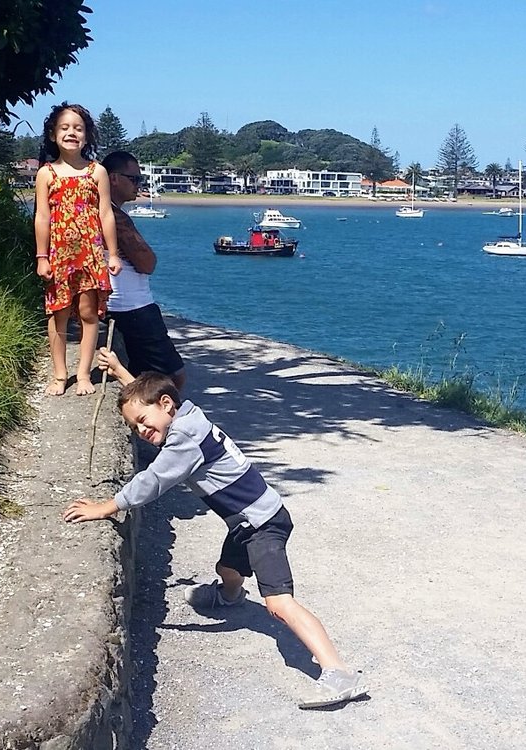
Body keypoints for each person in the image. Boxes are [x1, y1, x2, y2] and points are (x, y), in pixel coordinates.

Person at [61, 351, 368, 709]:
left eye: (143, 422)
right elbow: (150, 399)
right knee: (227, 570)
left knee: (279, 604)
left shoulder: (183, 440)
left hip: (263, 525)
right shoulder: (186, 415)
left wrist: (106, 507)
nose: (142, 432)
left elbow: (153, 481)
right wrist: (119, 372)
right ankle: (231, 594)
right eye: (134, 428)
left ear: (165, 405)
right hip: (247, 522)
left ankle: (338, 673)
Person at [34, 102, 122, 396]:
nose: (72, 133)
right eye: (65, 127)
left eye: (78, 128)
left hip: (91, 255)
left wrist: (113, 254)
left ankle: (83, 373)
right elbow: (42, 217)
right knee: (57, 313)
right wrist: (42, 256)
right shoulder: (46, 174)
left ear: (87, 136)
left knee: (88, 313)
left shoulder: (97, 172)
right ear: (52, 133)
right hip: (58, 256)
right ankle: (60, 375)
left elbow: (106, 215)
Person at [99, 151, 185, 391]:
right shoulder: (114, 216)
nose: (139, 185)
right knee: (172, 378)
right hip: (132, 307)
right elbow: (147, 262)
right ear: (114, 178)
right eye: (134, 179)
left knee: (140, 374)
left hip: (116, 304)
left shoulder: (99, 211)